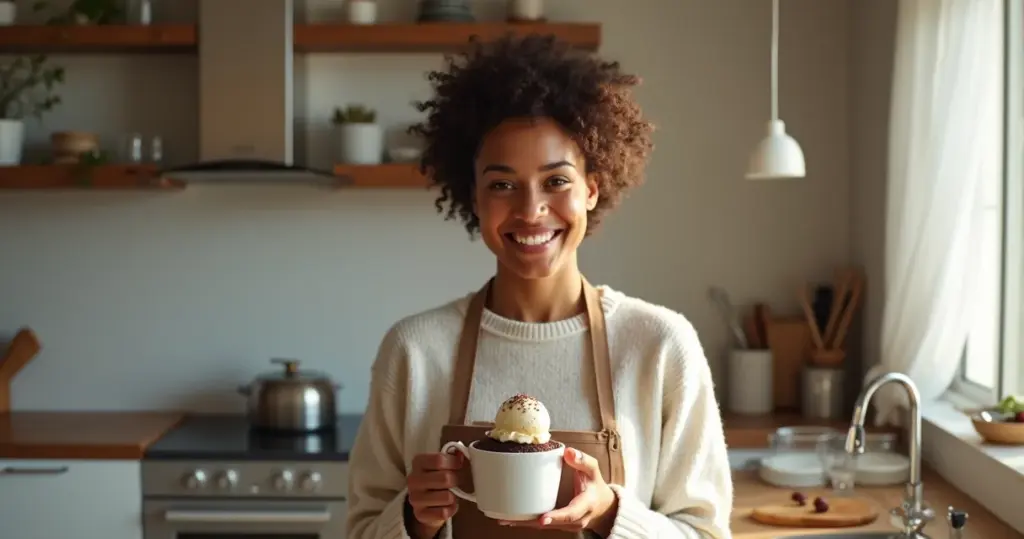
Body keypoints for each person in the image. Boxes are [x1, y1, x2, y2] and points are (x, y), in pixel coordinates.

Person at [346, 33, 733, 539]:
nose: (531, 211)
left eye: (556, 181)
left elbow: (706, 534)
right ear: (475, 198)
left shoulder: (660, 346)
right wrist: (412, 518)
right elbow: (358, 531)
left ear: (592, 189)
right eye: (502, 184)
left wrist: (611, 514)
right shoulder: (415, 351)